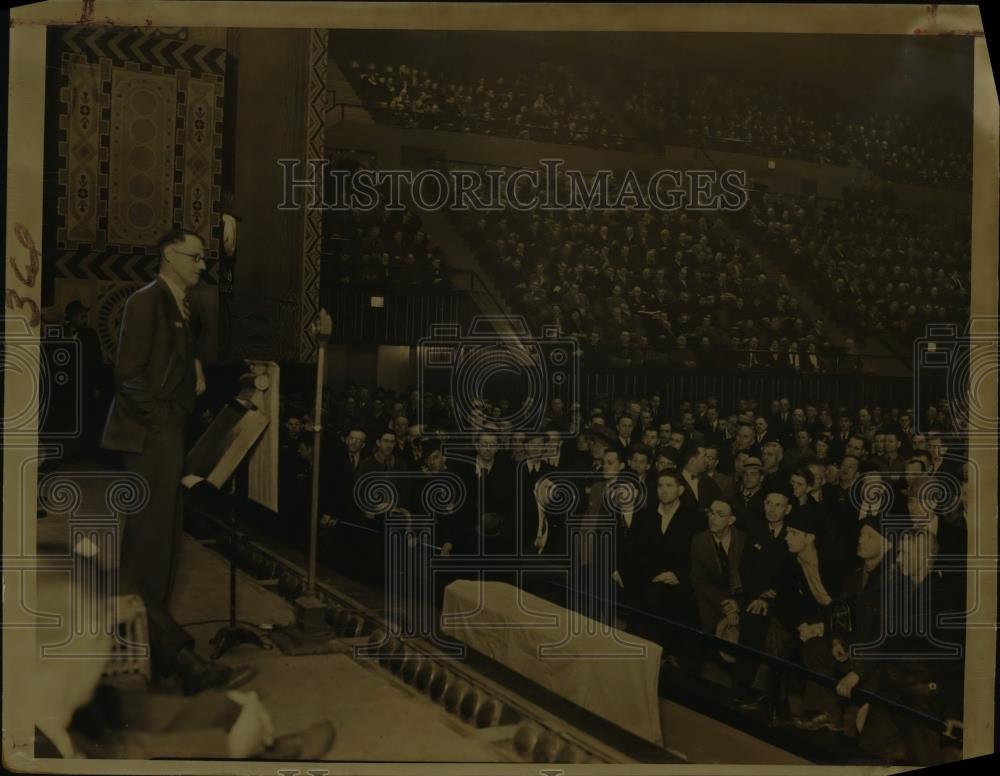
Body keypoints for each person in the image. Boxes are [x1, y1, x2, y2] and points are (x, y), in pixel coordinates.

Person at [100, 228, 250, 694]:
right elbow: (128, 372)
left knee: (163, 550)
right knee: (148, 551)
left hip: (165, 434)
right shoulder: (147, 301)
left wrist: (194, 371)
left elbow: (166, 363)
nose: (203, 265)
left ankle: (153, 656)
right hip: (151, 436)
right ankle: (179, 660)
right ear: (168, 256)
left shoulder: (178, 305)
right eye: (195, 256)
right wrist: (161, 418)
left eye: (204, 258)